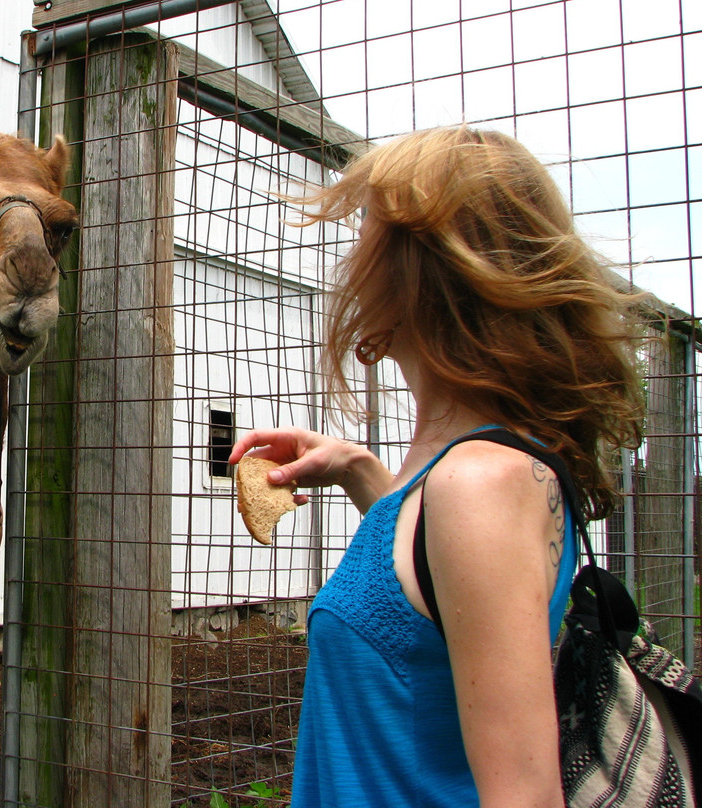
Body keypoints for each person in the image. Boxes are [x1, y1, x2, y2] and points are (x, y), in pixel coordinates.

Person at [229, 126, 644, 808]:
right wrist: (363, 473)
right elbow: (427, 608)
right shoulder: (464, 471)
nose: (353, 254)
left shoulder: (480, 484)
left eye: (369, 228)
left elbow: (525, 797)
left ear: (421, 268)